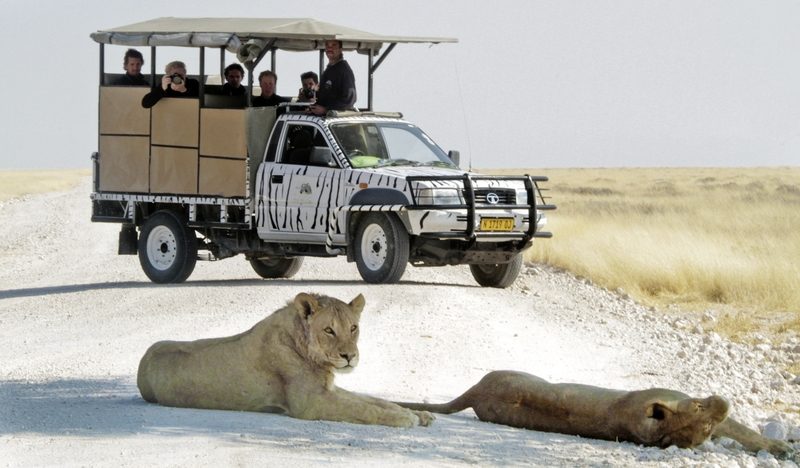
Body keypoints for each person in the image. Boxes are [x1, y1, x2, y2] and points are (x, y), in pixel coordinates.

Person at [309, 40, 356, 115]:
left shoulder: (344, 70)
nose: (329, 48)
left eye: (334, 45)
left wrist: (326, 110)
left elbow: (349, 99)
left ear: (340, 49)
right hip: (321, 120)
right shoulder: (329, 69)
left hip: (336, 122)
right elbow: (327, 95)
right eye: (327, 45)